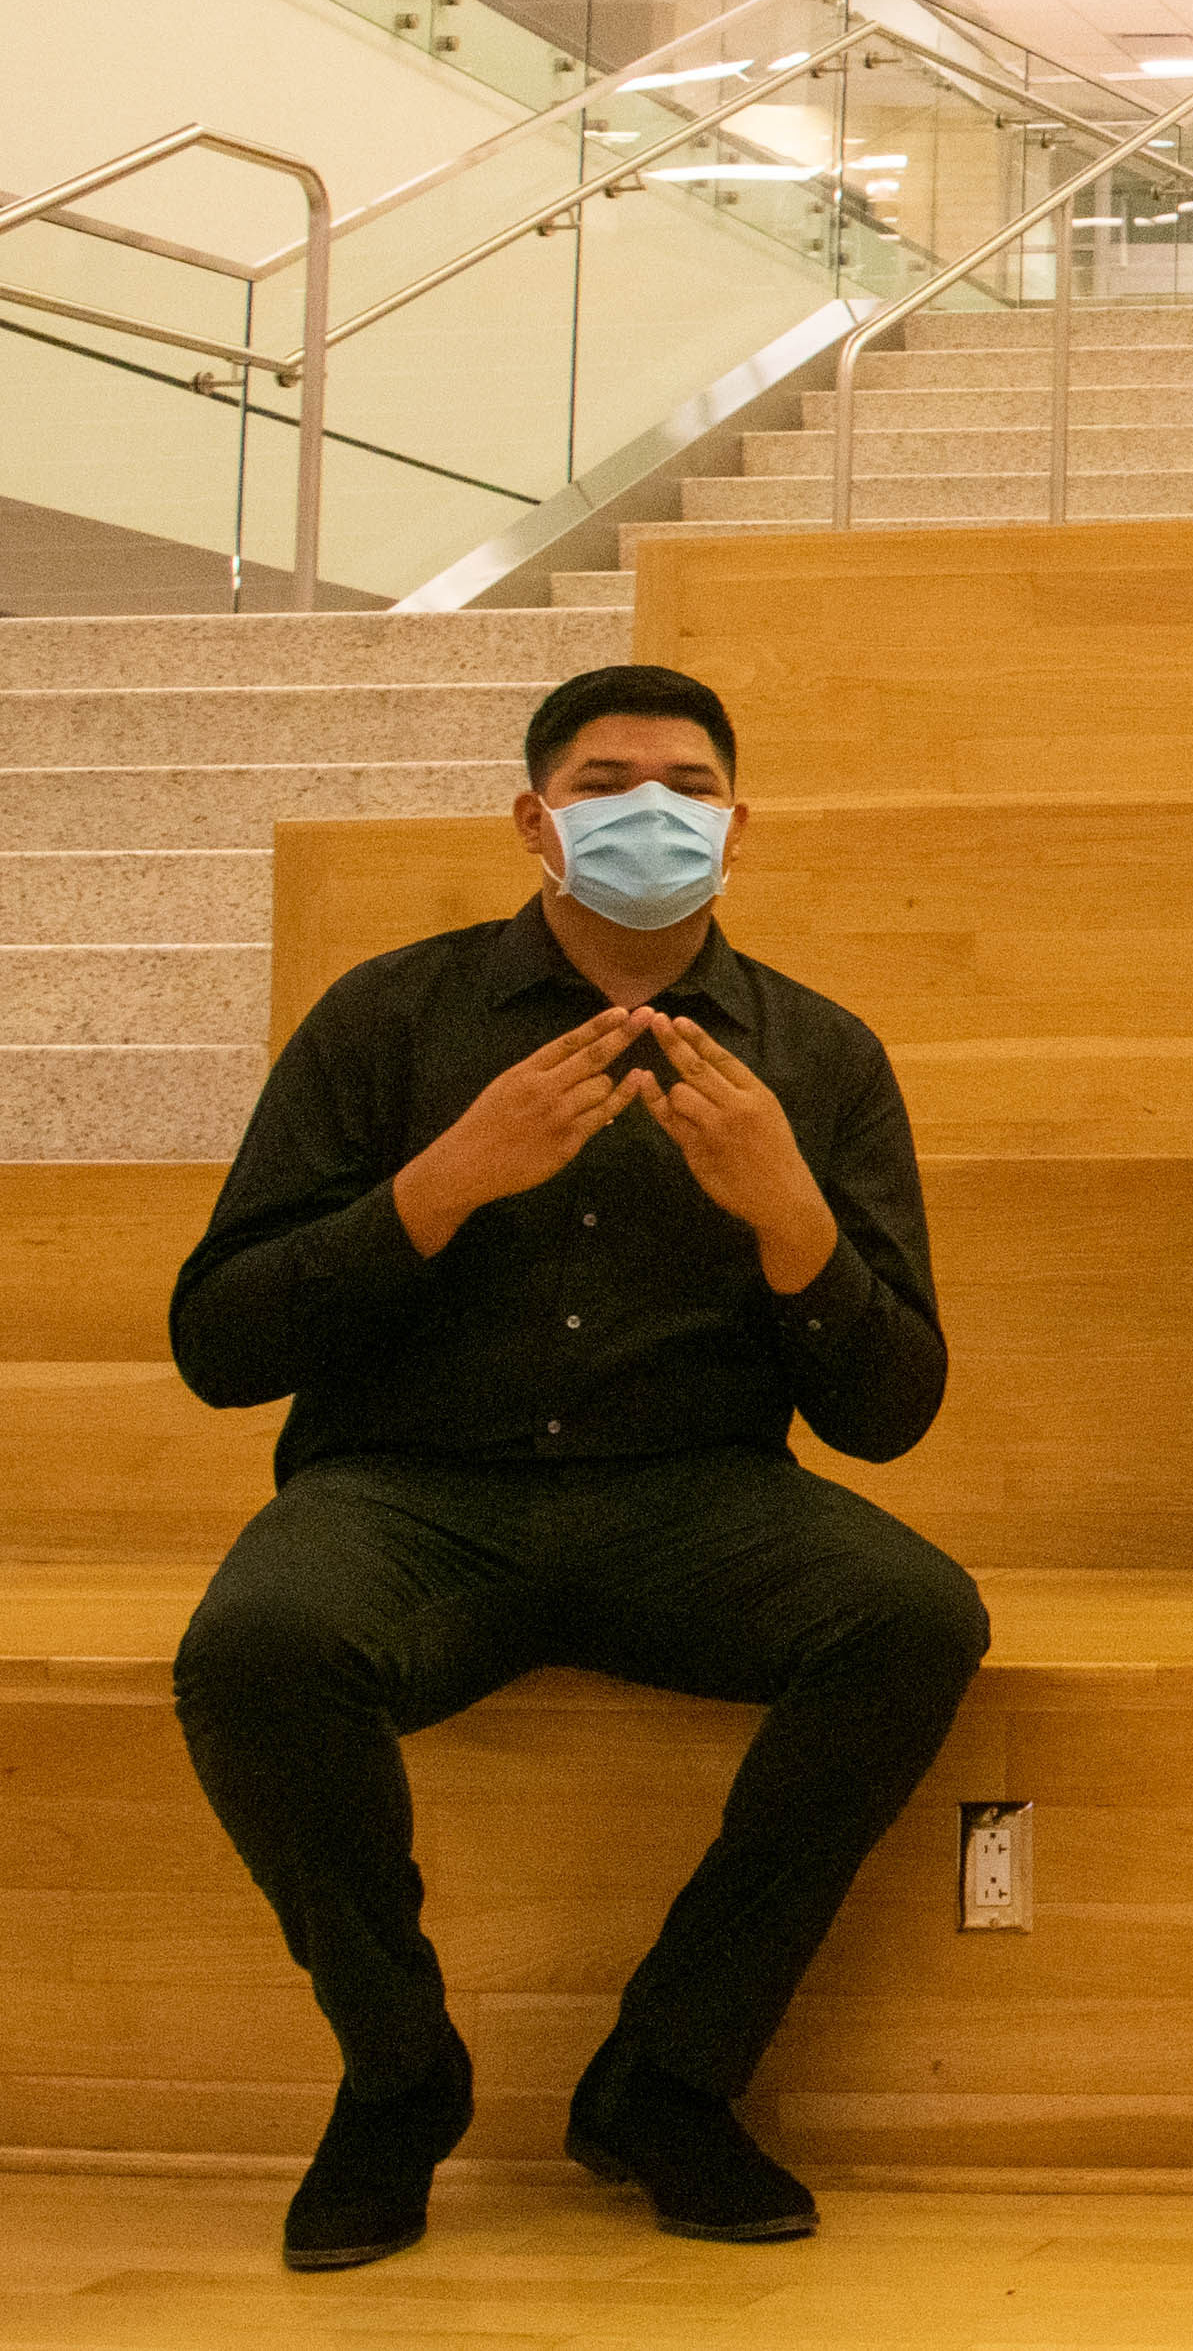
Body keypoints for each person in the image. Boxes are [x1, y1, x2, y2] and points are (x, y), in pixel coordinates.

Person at [167, 664, 981, 2270]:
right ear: (534, 819)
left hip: (695, 1495)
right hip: (407, 1490)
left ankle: (667, 2076)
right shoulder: (387, 1016)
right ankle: (397, 2073)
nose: (650, 810)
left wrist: (792, 1217)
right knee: (255, 1643)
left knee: (913, 1614)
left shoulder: (817, 1053)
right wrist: (441, 1184)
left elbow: (891, 1410)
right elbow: (218, 1339)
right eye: (606, 783)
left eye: (688, 783)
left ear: (737, 825)